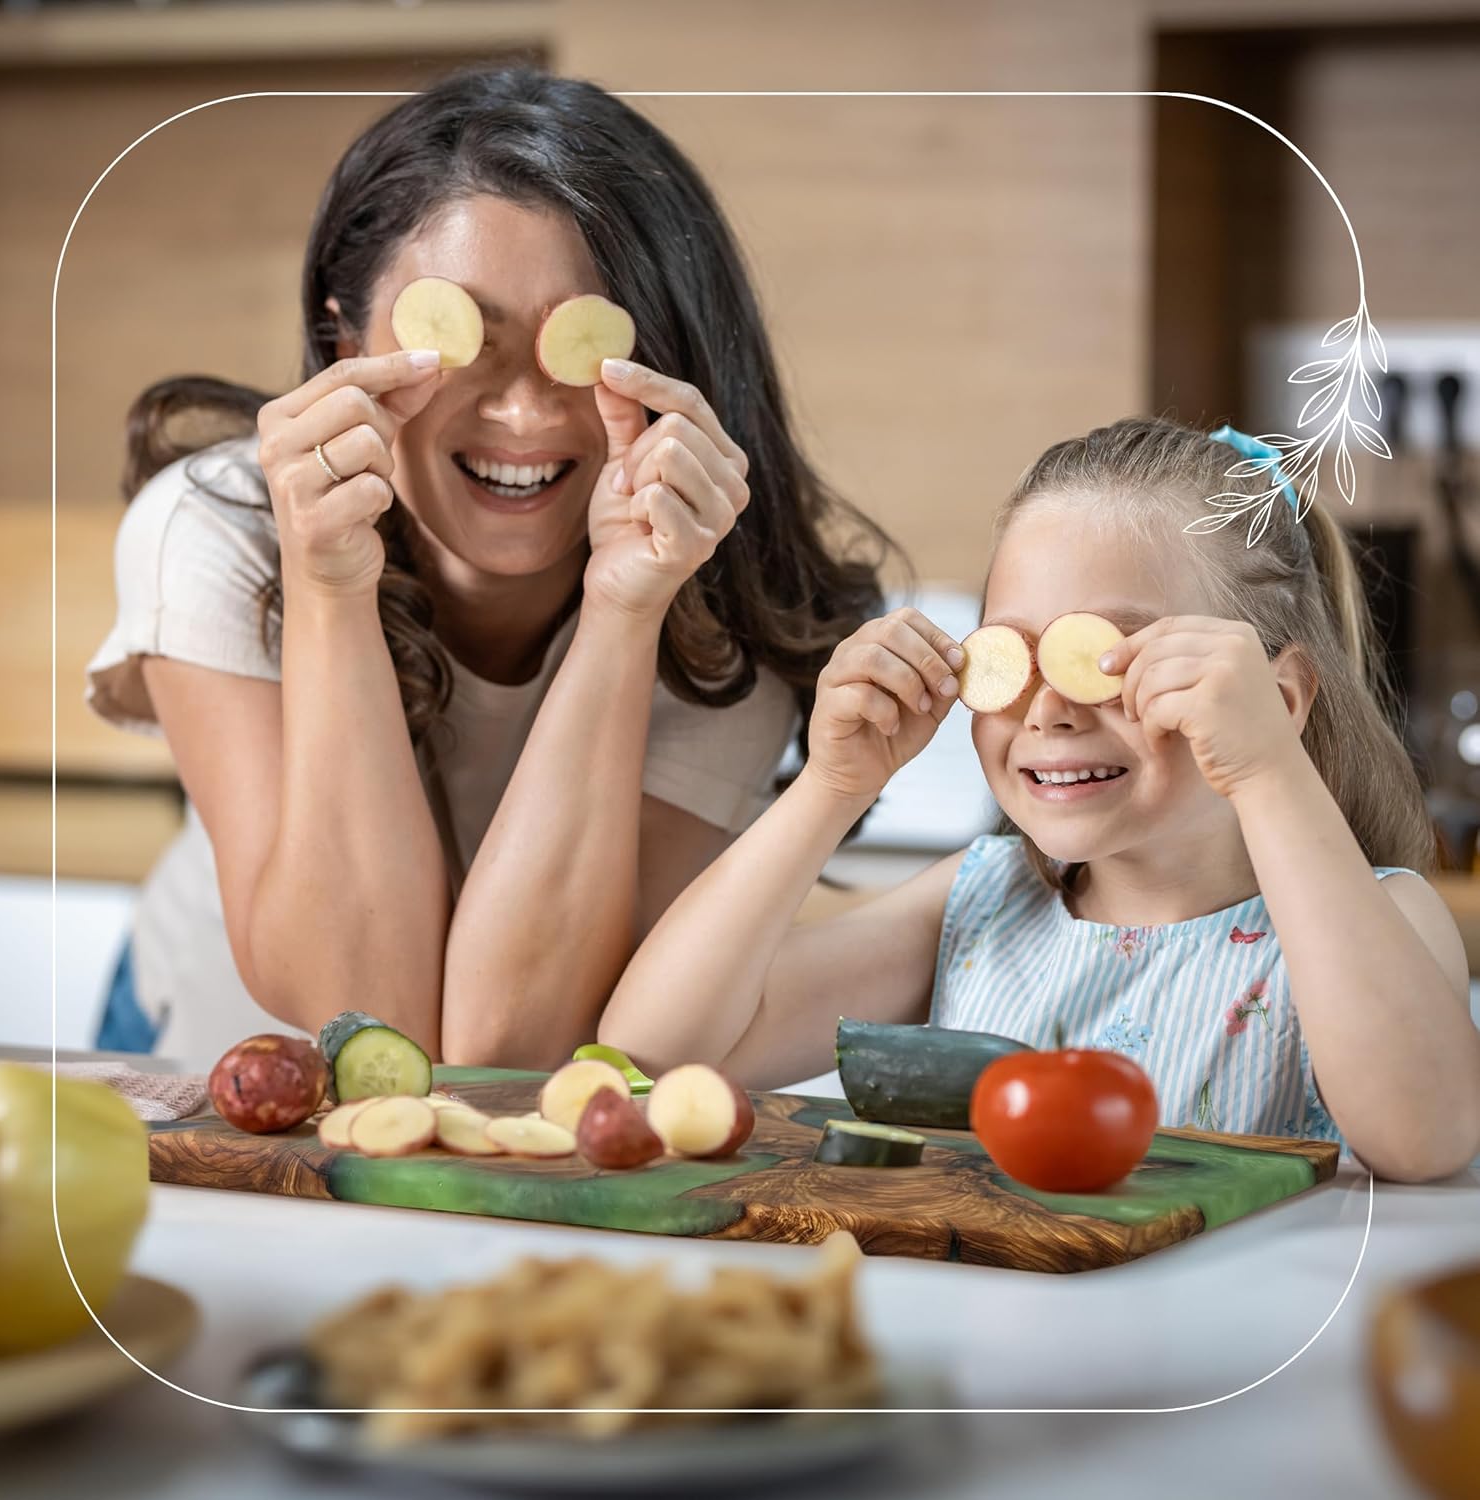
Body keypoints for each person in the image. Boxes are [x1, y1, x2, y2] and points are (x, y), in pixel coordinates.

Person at [86, 67, 896, 1068]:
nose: (523, 416)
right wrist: (329, 585)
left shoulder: (723, 607)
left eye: (586, 351)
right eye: (460, 339)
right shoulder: (227, 526)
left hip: (507, 1112)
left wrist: (623, 607)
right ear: (344, 339)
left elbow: (512, 1042)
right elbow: (362, 1009)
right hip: (202, 1060)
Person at [599, 416, 1480, 1182]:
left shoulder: (1377, 917)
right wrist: (830, 790)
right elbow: (655, 1052)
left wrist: (1266, 774)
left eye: (1109, 657)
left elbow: (1425, 1137)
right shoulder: (979, 905)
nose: (1050, 710)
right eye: (1013, 658)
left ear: (1276, 700)